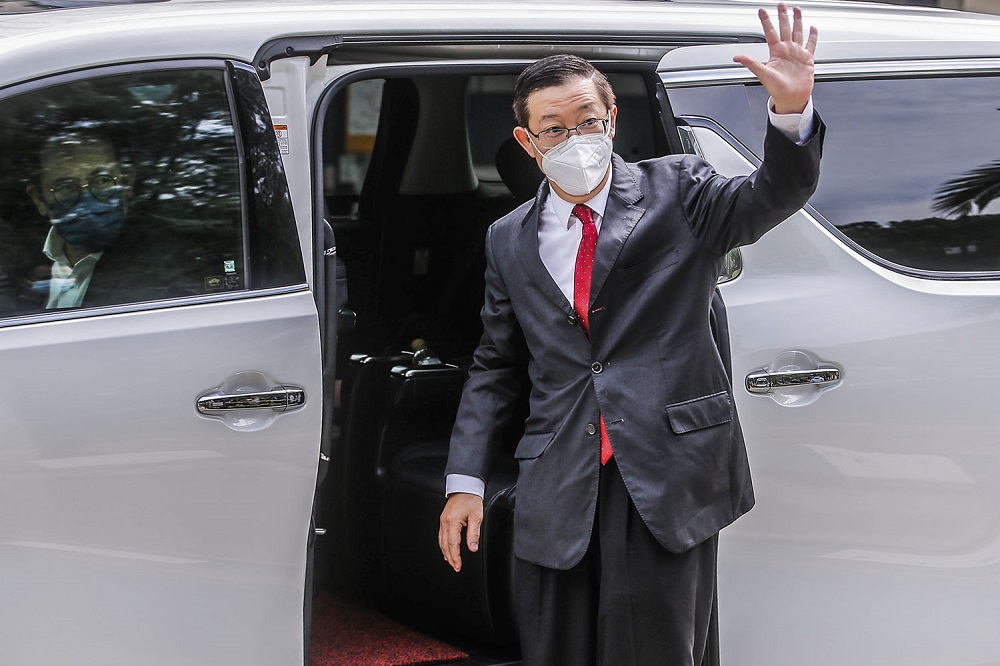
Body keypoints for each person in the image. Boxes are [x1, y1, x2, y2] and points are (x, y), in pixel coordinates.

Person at [438, 5, 824, 665]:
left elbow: (771, 195)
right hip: (558, 480)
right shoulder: (508, 238)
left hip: (665, 476)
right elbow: (495, 365)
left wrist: (791, 113)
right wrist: (465, 480)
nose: (575, 137)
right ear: (528, 142)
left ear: (612, 121)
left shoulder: (680, 190)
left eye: (588, 121)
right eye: (554, 128)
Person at [26, 131, 206, 309]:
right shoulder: (25, 265)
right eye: (65, 187)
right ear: (39, 200)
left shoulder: (168, 262)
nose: (87, 202)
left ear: (127, 182)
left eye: (102, 181)